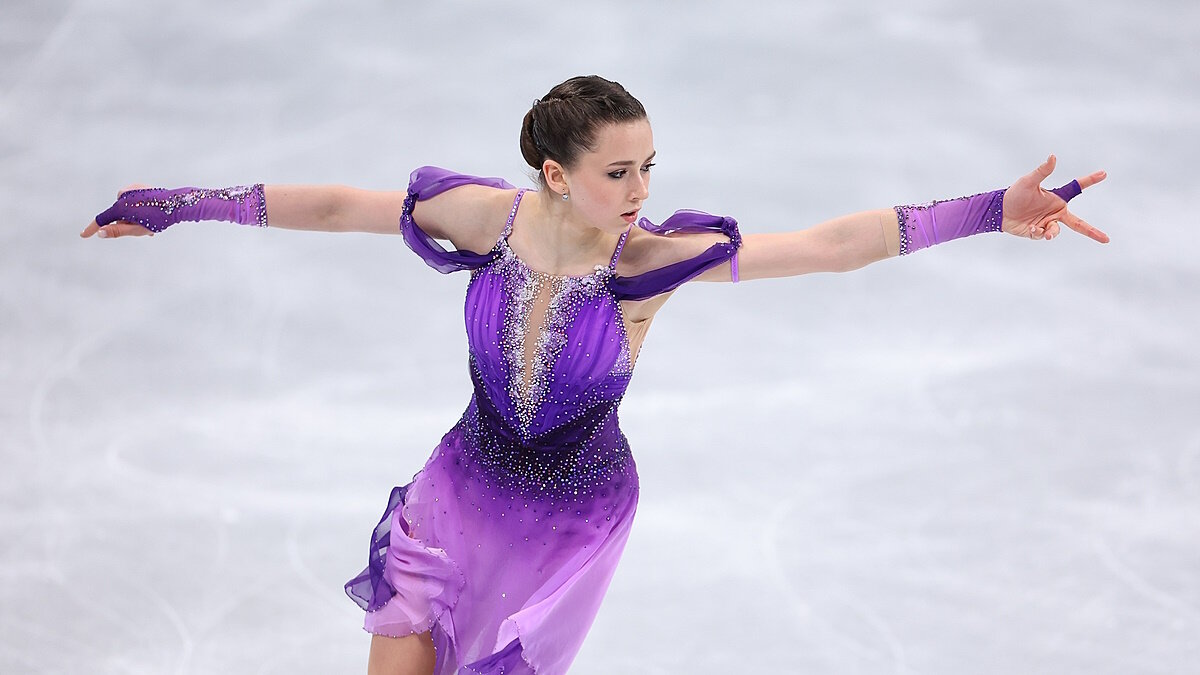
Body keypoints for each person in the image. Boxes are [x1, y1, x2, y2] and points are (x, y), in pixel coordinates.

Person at [80, 75, 1108, 675]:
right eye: (621, 171)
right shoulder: (491, 219)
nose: (643, 189)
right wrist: (179, 201)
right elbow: (339, 207)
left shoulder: (651, 261)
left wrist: (987, 210)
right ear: (555, 174)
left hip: (569, 520)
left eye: (651, 166)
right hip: (460, 485)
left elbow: (832, 244)